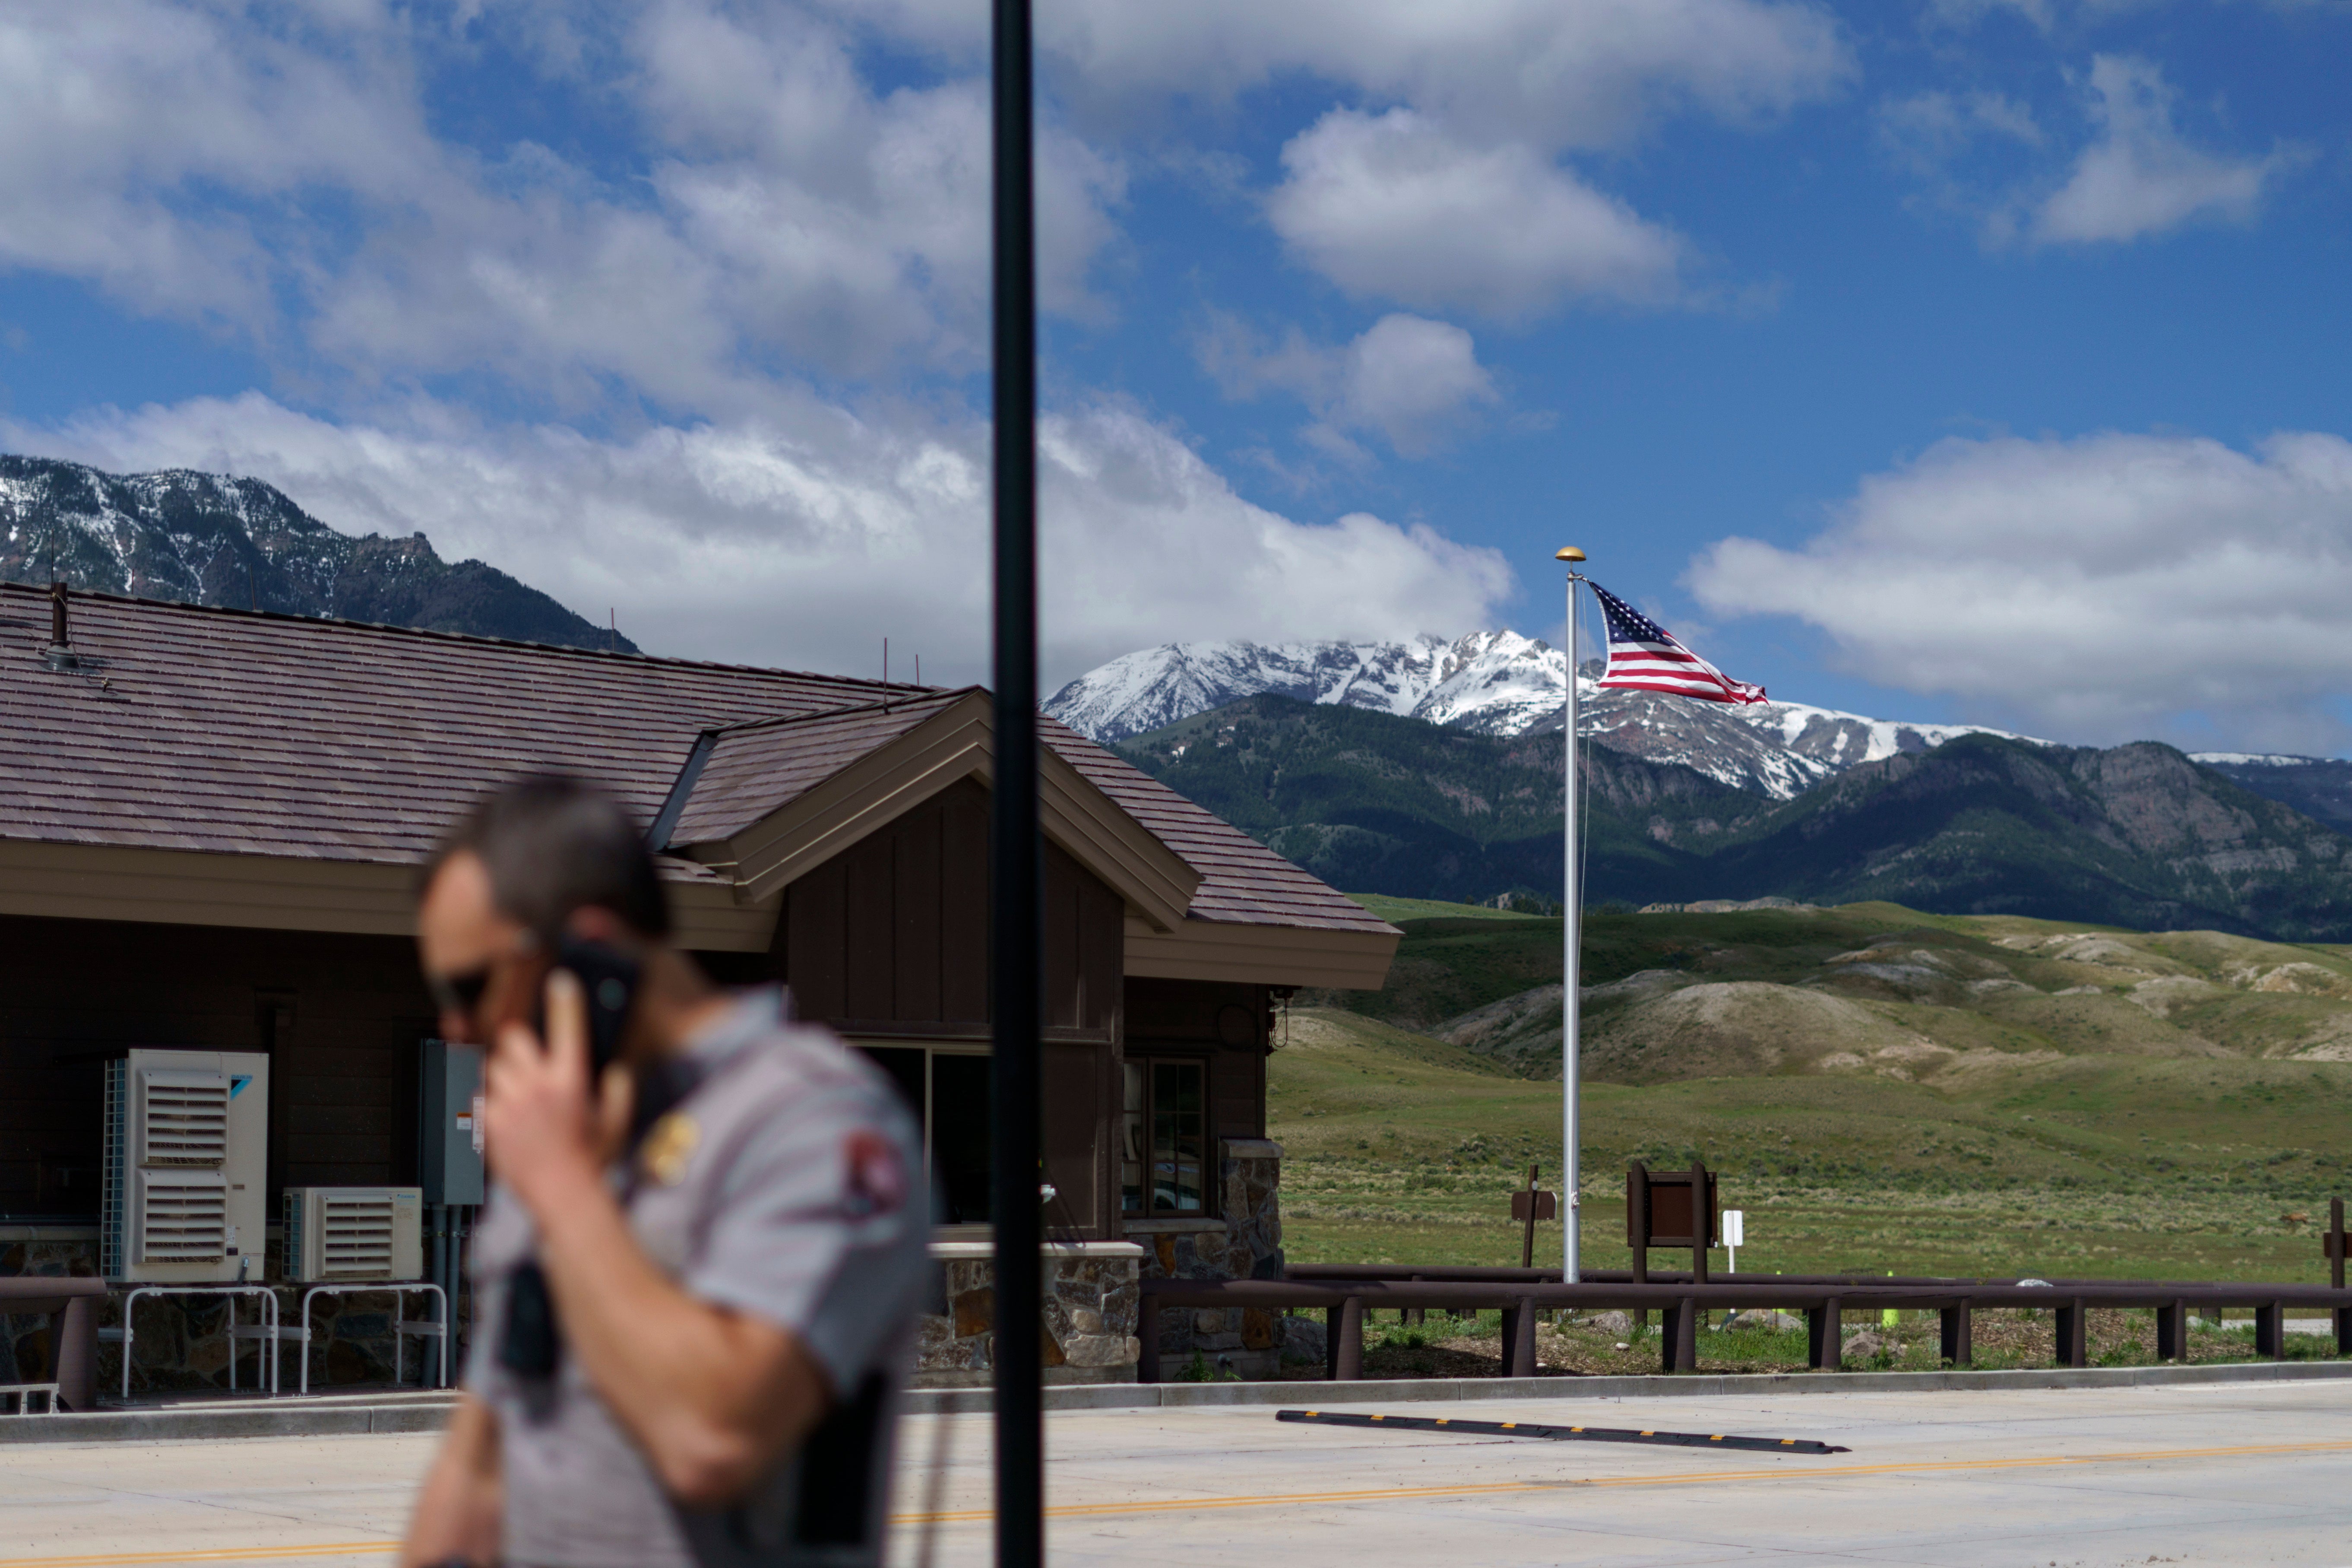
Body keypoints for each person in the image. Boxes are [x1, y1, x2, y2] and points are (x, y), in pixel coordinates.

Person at [400, 774, 929, 1568]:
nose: (455, 1024)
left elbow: (713, 1437)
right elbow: (480, 1466)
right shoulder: (570, 1129)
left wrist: (564, 1192)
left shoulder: (815, 1123)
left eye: (471, 985)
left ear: (590, 955)